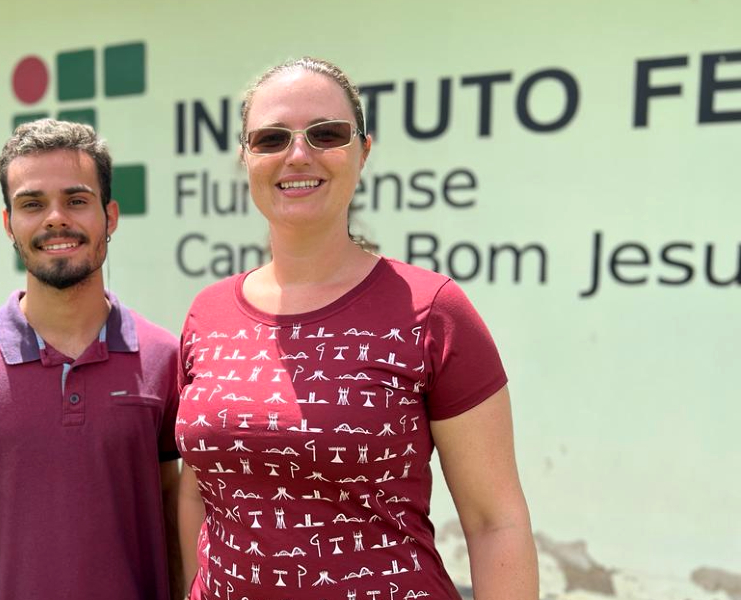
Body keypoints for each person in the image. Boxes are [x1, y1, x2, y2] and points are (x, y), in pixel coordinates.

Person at [176, 58, 538, 600]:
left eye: (326, 134)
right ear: (246, 158)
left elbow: (495, 522)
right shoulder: (208, 313)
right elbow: (198, 495)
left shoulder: (434, 310)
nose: (298, 154)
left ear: (364, 151)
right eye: (271, 138)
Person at [0, 119, 182, 600]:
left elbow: (172, 504)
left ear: (109, 216)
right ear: (9, 223)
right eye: (32, 204)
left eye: (75, 200)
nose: (55, 218)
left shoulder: (164, 356)